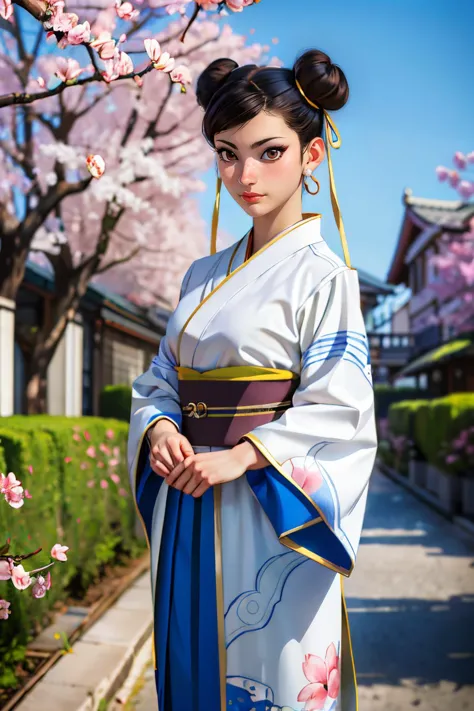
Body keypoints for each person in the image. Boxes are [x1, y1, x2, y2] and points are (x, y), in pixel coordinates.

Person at [128, 49, 377, 711]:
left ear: (313, 155)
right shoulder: (199, 276)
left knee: (269, 669)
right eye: (227, 152)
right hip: (189, 495)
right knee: (190, 670)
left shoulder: (327, 277)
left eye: (269, 152)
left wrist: (240, 457)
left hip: (269, 509)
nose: (245, 174)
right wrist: (158, 426)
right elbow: (159, 377)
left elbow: (341, 408)